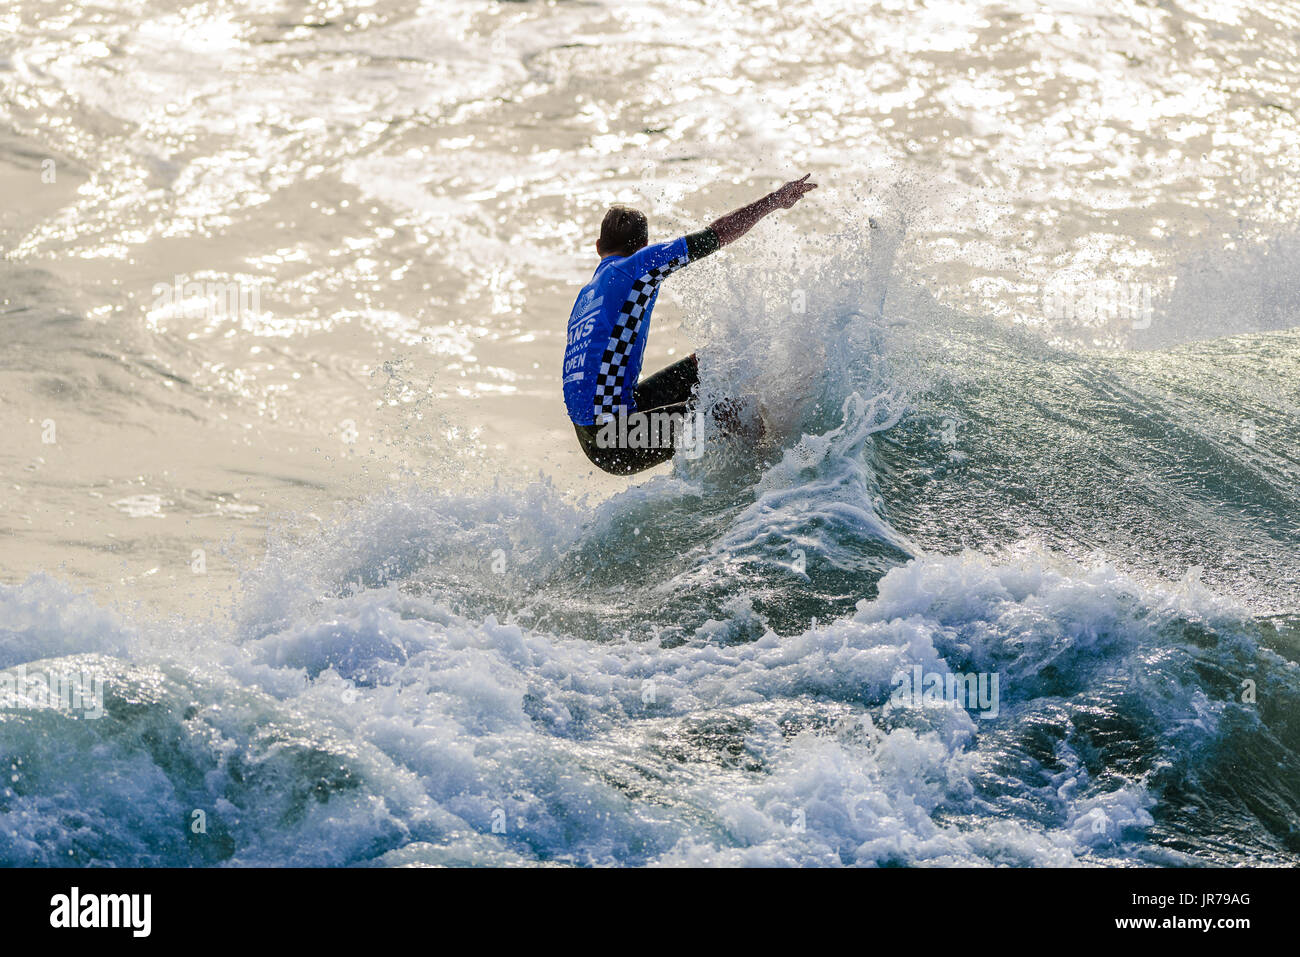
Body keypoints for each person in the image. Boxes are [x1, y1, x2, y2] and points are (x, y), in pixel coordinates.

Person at [561, 174, 818, 475]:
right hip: (614, 439)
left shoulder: (587, 294)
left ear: (598, 247)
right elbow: (716, 234)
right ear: (644, 246)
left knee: (715, 361)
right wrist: (774, 200)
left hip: (603, 428)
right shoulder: (638, 266)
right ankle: (774, 481)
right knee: (733, 414)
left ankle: (747, 425)